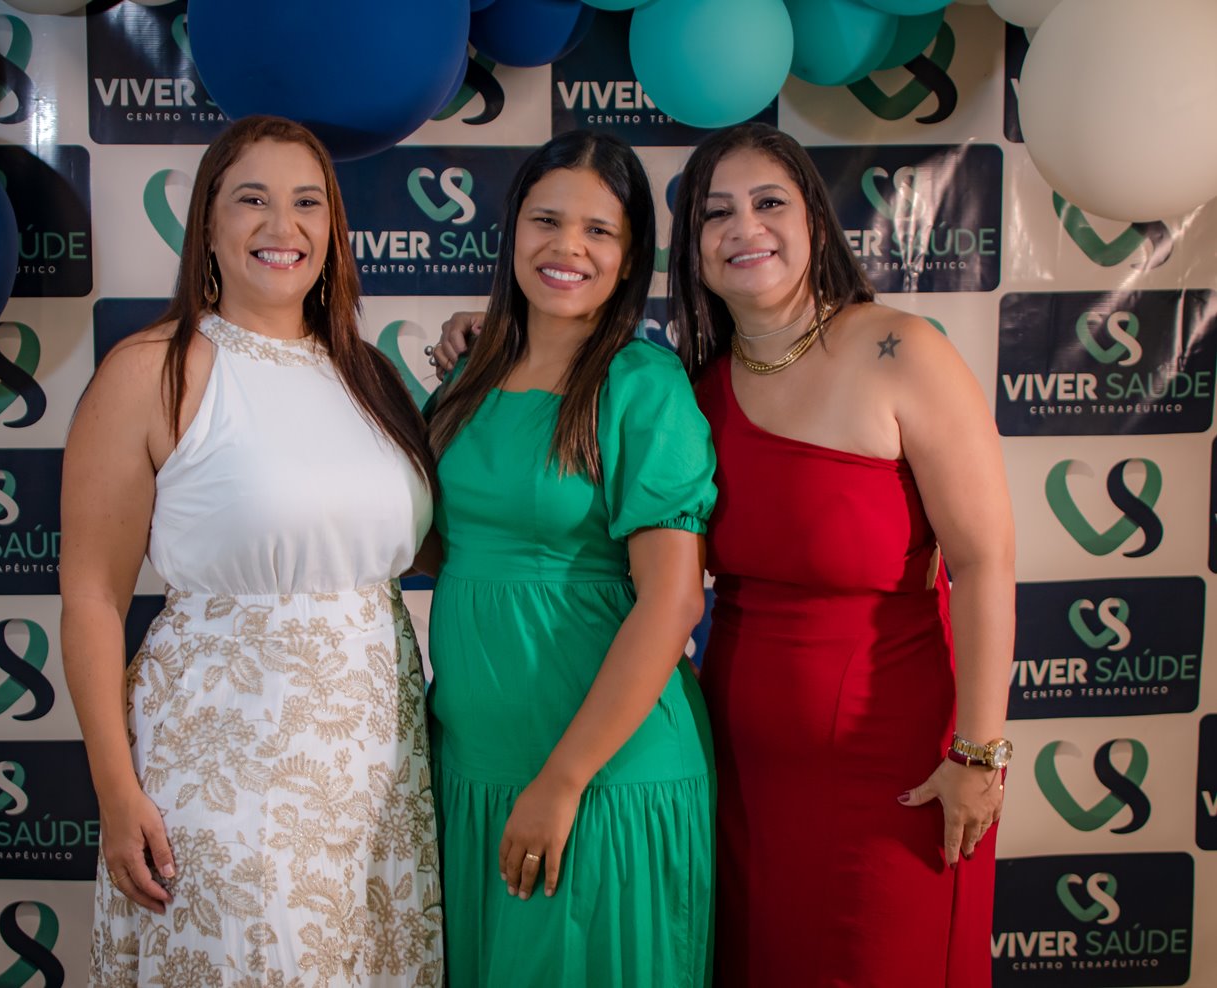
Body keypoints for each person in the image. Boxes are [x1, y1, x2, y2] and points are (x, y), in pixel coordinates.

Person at [433, 122, 1015, 988]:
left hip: (889, 760)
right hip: (746, 765)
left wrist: (980, 749)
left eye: (768, 202)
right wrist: (497, 339)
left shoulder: (900, 352)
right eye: (715, 213)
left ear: (814, 218)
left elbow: (986, 561)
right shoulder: (704, 385)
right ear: (691, 250)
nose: (745, 228)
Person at [60, 115, 443, 987]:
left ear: (333, 227)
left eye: (307, 202)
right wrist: (116, 794)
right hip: (224, 770)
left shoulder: (371, 375)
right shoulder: (151, 370)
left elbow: (424, 550)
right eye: (252, 200)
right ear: (207, 223)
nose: (283, 226)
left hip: (379, 774)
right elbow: (91, 598)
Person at [422, 129, 717, 987]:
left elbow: (673, 601)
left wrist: (563, 780)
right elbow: (448, 550)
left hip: (599, 776)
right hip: (474, 766)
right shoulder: (467, 377)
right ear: (512, 229)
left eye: (599, 230)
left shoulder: (641, 383)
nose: (567, 247)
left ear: (629, 259)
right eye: (546, 220)